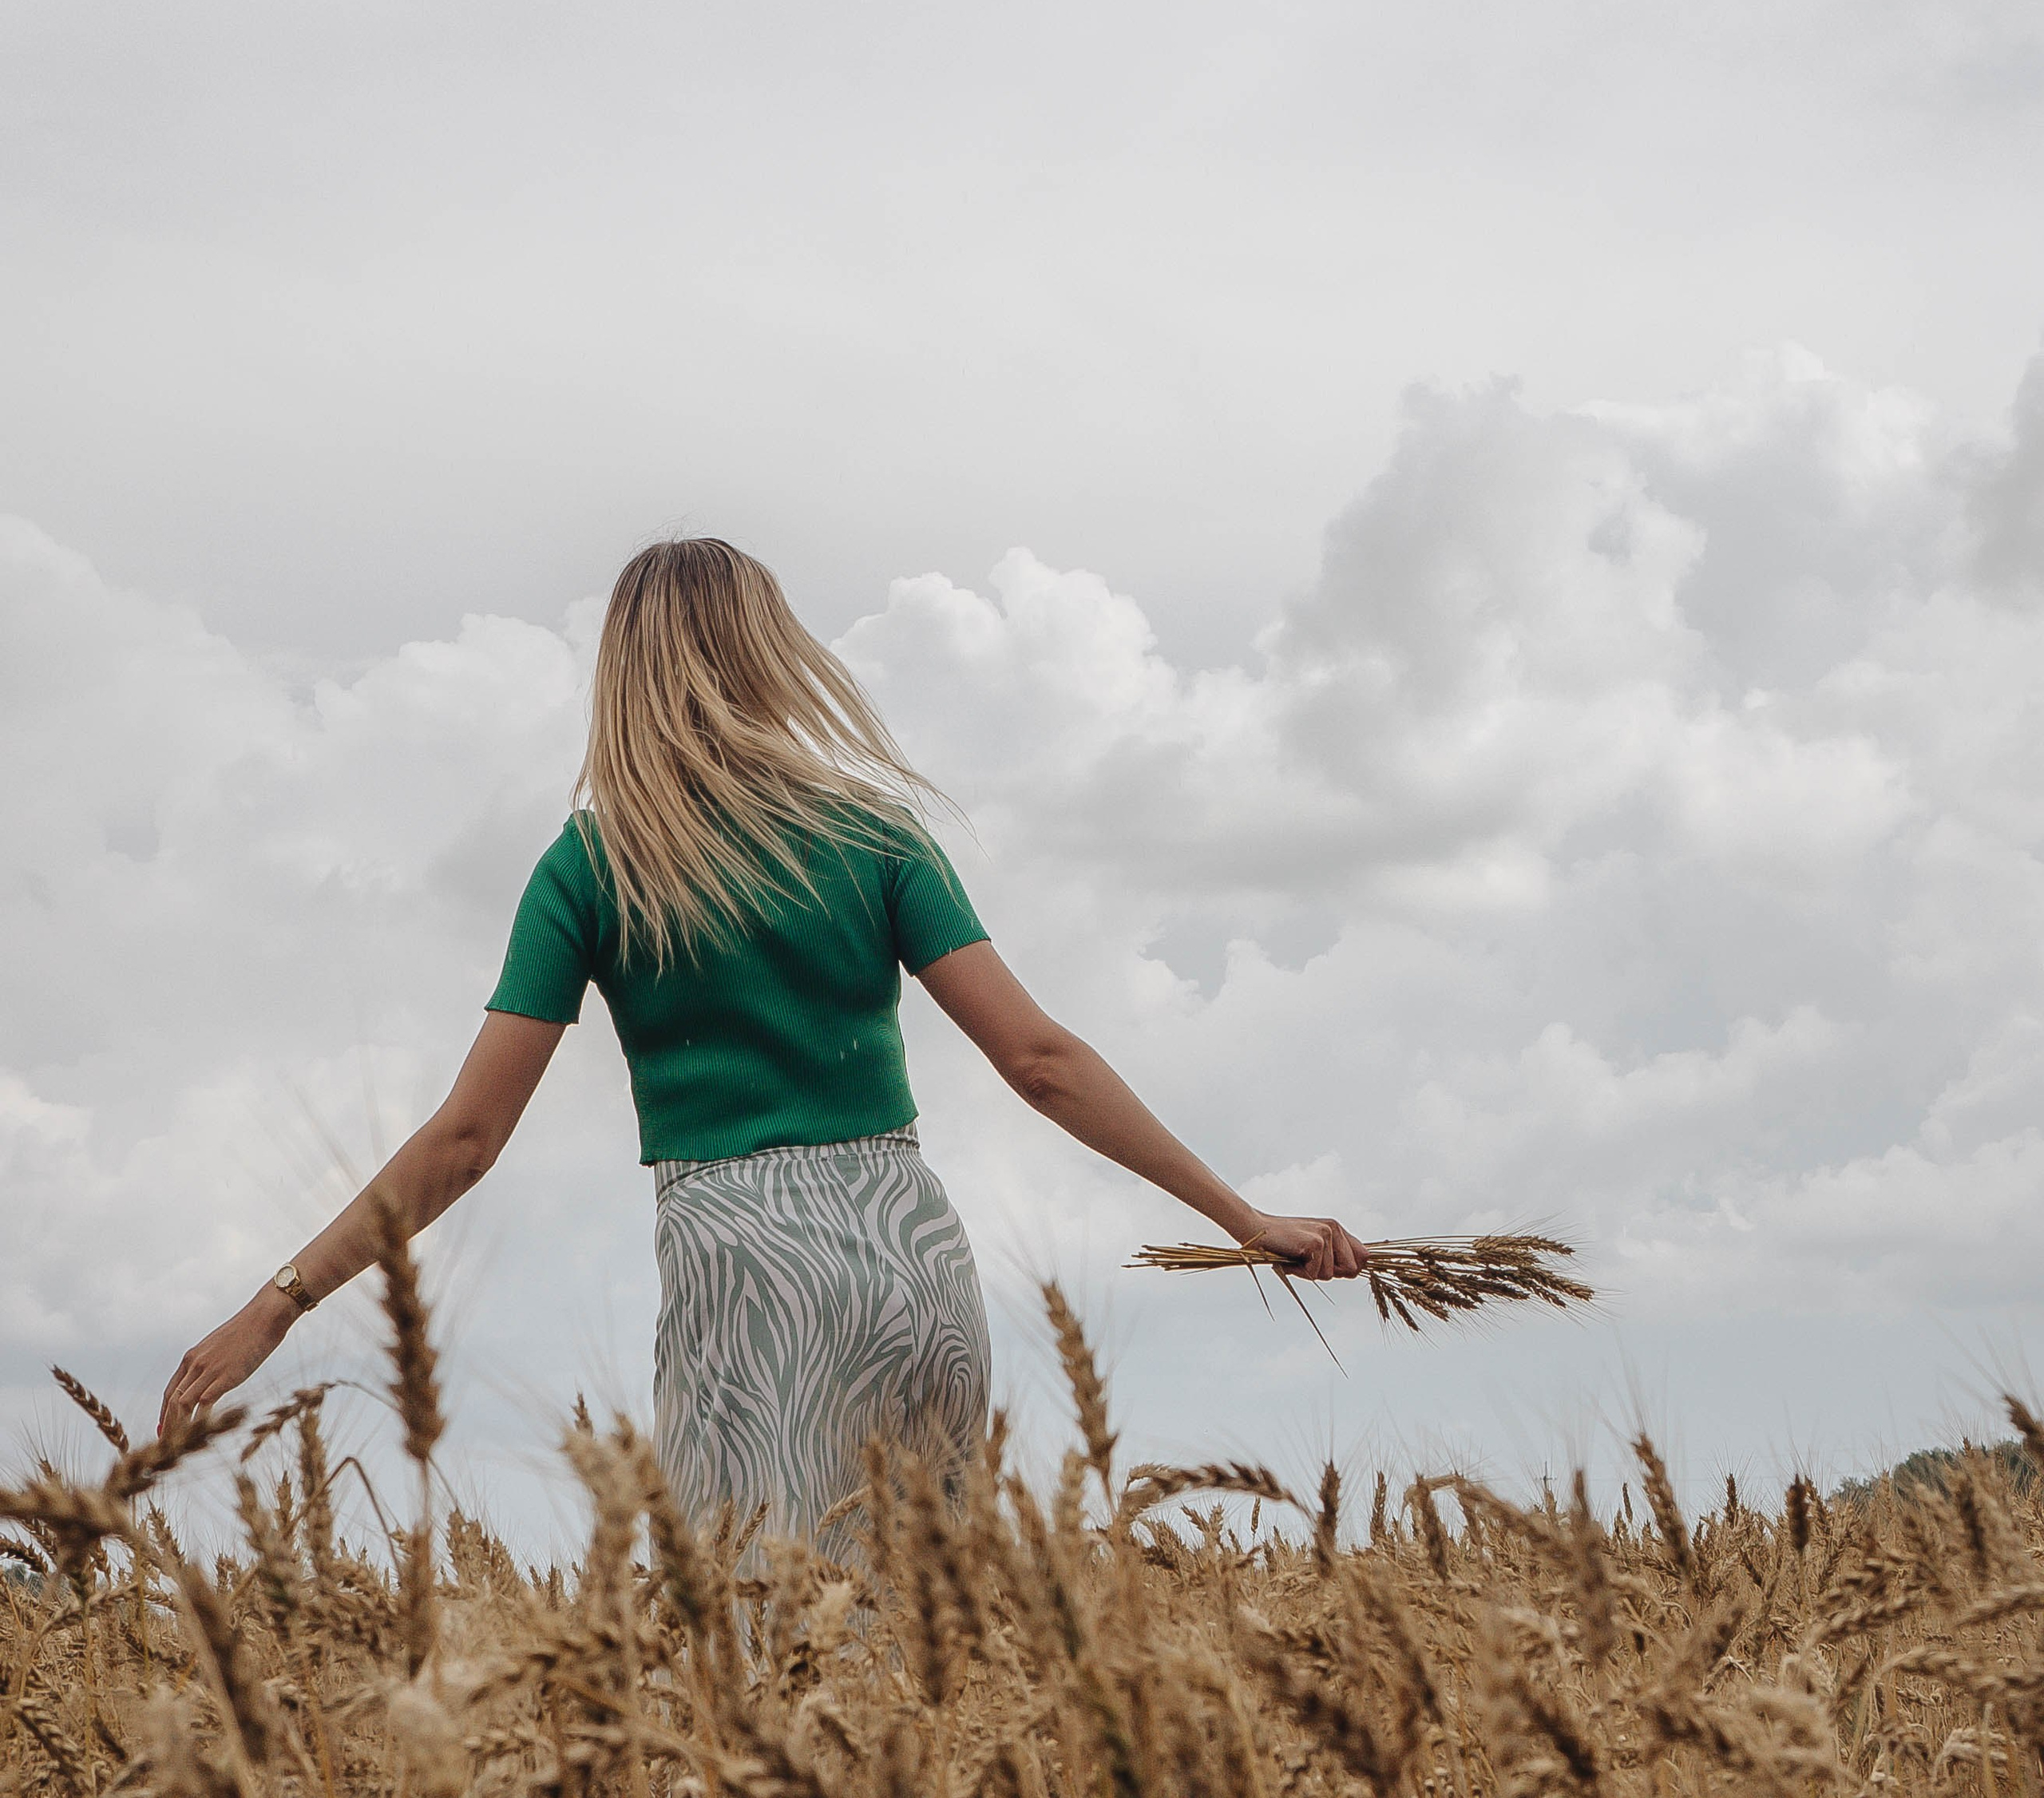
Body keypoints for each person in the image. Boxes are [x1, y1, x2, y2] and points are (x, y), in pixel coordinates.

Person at [158, 540, 1369, 1545]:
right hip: (914, 1254)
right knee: (928, 1644)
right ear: (770, 653)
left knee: (762, 1650)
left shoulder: (592, 867)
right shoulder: (876, 837)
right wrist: (1241, 1215)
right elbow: (1041, 1063)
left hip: (744, 1268)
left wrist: (282, 1300)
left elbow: (467, 1140)